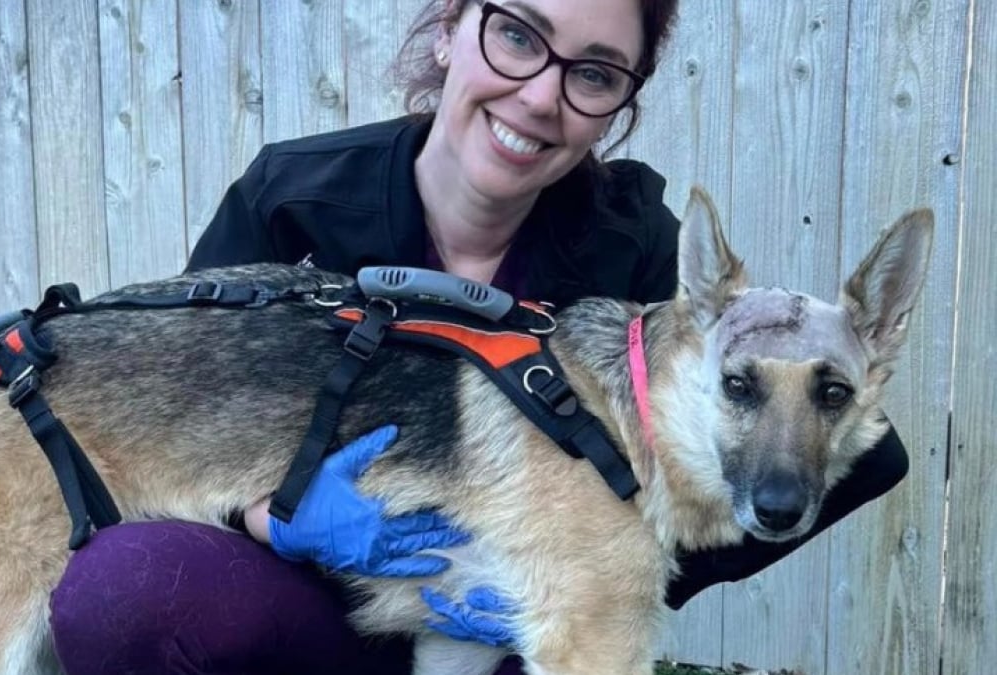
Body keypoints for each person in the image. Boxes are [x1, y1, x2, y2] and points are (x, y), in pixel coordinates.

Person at [49, 0, 910, 673]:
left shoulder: (636, 241)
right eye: (518, 36)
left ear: (619, 104)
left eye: (596, 74)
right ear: (450, 31)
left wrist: (617, 570)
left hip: (495, 632)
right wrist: (276, 519)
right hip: (288, 595)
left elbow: (848, 453)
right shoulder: (294, 197)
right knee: (122, 591)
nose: (541, 96)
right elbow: (177, 415)